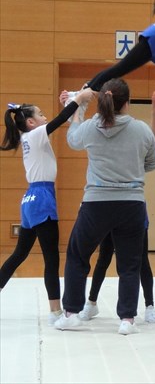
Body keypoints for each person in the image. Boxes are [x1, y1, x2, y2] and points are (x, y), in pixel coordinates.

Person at [54, 78, 155, 335]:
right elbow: (153, 163)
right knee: (130, 263)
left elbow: (72, 140)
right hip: (132, 204)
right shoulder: (142, 129)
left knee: (78, 255)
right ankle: (127, 320)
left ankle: (71, 313)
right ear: (128, 102)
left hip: (96, 204)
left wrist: (76, 108)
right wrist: (132, 167)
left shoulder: (90, 127)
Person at [0, 90, 94, 325]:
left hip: (31, 198)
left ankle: (54, 310)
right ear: (31, 122)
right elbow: (60, 120)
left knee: (20, 254)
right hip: (41, 196)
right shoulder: (33, 136)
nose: (44, 117)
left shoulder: (28, 139)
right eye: (40, 115)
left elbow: (56, 120)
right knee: (51, 258)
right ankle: (55, 311)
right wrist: (78, 100)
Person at [76, 93, 155, 324]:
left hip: (110, 202)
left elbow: (151, 139)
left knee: (138, 260)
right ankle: (98, 306)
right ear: (126, 103)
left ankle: (149, 305)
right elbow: (153, 156)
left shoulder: (98, 128)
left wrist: (77, 106)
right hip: (127, 203)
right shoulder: (135, 128)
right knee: (113, 258)